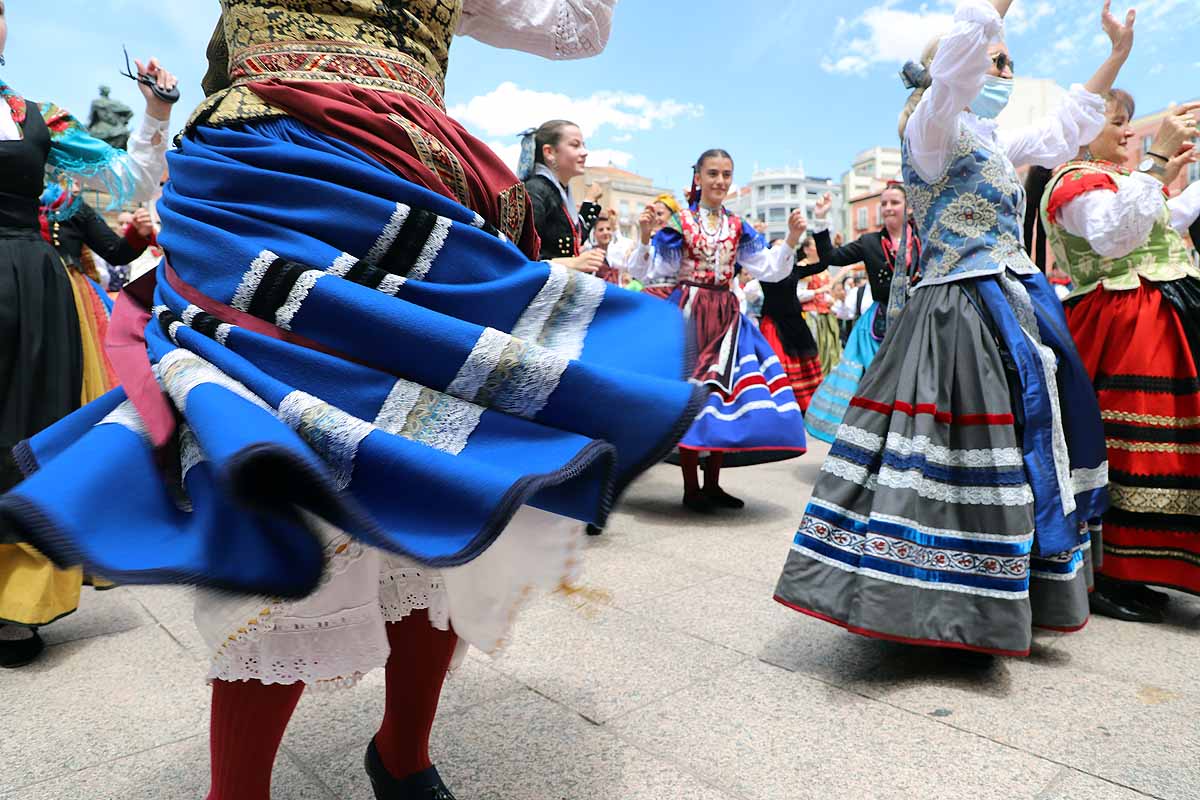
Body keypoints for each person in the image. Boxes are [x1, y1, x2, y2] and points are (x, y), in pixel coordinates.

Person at [0, 4, 701, 800]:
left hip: (403, 188)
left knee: (431, 473)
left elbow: (575, 27)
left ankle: (402, 752)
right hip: (263, 189)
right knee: (288, 478)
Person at [775, 0, 1132, 657]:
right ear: (958, 68)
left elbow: (1059, 129)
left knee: (1021, 445)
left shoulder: (993, 141)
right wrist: (992, 11)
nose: (1006, 71)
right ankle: (923, 599)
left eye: (1008, 61)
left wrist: (1115, 55)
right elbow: (962, 66)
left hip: (1011, 302)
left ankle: (995, 596)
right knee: (946, 450)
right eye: (997, 60)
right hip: (953, 311)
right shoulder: (931, 130)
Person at [0, 22, 174, 667]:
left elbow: (126, 178)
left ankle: (16, 603)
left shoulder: (36, 116)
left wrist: (156, 109)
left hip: (29, 285)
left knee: (25, 430)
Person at [1038, 89, 1200, 622]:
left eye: (1129, 122)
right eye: (1117, 122)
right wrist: (1156, 166)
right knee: (1135, 443)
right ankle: (1114, 570)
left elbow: (1164, 226)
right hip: (1123, 319)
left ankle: (1156, 561)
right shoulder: (1073, 180)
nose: (1127, 132)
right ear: (1082, 129)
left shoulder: (1120, 180)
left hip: (1161, 306)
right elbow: (1112, 237)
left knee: (1172, 439)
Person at [631, 148, 808, 512]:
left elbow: (769, 270)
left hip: (726, 314)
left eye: (726, 174)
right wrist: (646, 238)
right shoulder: (679, 223)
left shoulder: (737, 226)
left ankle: (711, 483)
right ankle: (690, 486)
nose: (720, 181)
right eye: (713, 173)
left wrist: (790, 240)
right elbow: (649, 274)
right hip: (690, 313)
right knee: (691, 394)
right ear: (698, 177)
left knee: (722, 394)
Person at [804, 182, 921, 444]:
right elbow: (832, 257)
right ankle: (869, 443)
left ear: (909, 207)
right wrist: (821, 219)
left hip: (918, 320)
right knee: (873, 385)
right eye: (884, 203)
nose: (889, 208)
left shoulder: (923, 239)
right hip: (877, 327)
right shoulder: (870, 242)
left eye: (895, 202)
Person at [757, 195, 834, 413]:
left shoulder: (796, 269)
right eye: (779, 248)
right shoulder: (764, 273)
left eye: (787, 249)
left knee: (804, 364)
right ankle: (778, 405)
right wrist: (759, 234)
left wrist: (821, 221)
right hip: (773, 324)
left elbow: (825, 263)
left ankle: (804, 406)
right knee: (776, 365)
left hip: (796, 325)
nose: (785, 252)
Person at [520, 119, 605, 274]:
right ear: (549, 152)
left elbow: (572, 236)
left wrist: (590, 201)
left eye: (584, 145)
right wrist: (571, 263)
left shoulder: (558, 191)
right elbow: (521, 256)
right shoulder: (536, 191)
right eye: (575, 145)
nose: (584, 152)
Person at [797, 238, 841, 376]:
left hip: (826, 315)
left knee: (831, 351)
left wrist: (830, 299)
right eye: (816, 246)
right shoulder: (803, 267)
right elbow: (798, 295)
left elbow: (827, 293)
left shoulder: (823, 268)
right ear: (806, 250)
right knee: (816, 350)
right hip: (811, 316)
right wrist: (818, 292)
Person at [624, 193, 682, 298]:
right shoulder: (647, 242)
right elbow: (636, 271)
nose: (655, 219)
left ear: (673, 216)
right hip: (650, 296)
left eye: (660, 214)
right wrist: (645, 235)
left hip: (675, 296)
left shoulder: (680, 242)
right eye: (653, 215)